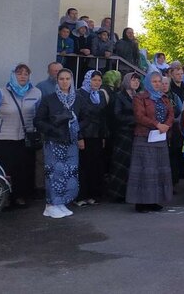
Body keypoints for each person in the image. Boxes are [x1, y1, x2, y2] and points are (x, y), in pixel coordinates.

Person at [0, 64, 42, 208]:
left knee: (22, 169)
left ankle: (19, 196)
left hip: (24, 139)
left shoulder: (36, 93)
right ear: (13, 75)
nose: (22, 76)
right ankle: (3, 199)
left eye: (26, 74)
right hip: (3, 140)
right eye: (19, 73)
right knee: (4, 169)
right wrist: (0, 127)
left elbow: (37, 113)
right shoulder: (1, 93)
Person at [34, 69, 88, 218]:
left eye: (67, 79)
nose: (64, 82)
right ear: (57, 81)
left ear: (72, 80)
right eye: (61, 79)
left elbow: (86, 117)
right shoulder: (49, 99)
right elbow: (38, 120)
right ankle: (50, 204)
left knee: (69, 173)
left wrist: (76, 126)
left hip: (71, 142)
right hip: (54, 141)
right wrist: (53, 130)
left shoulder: (78, 98)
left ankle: (61, 202)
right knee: (54, 173)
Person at [126, 72, 174, 213]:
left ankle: (153, 200)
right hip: (144, 137)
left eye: (159, 81)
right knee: (144, 170)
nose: (157, 84)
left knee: (158, 170)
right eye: (154, 81)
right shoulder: (139, 97)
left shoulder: (164, 98)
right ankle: (140, 203)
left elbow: (171, 113)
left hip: (160, 137)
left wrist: (166, 125)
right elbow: (139, 116)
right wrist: (157, 124)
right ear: (148, 82)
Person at [72, 70, 109, 207]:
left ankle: (94, 195)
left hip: (97, 136)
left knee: (95, 166)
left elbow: (103, 117)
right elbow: (76, 117)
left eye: (99, 80)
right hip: (84, 135)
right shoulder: (79, 94)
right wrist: (79, 136)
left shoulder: (100, 95)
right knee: (83, 166)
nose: (97, 83)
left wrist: (104, 135)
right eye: (94, 80)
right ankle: (80, 196)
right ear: (88, 80)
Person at [106, 72, 140, 202]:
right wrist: (135, 120)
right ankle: (117, 193)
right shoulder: (119, 96)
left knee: (132, 164)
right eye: (133, 80)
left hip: (135, 133)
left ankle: (129, 192)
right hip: (123, 133)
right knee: (121, 163)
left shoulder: (138, 96)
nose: (136, 82)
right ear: (126, 81)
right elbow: (117, 115)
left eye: (137, 80)